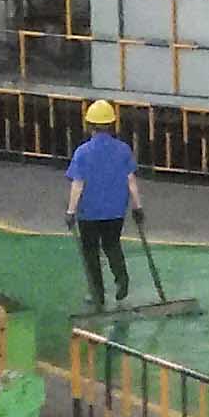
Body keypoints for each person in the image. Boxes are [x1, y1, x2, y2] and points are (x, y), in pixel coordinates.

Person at [64, 99, 138, 309]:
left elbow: (78, 184)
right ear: (112, 124)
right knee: (112, 244)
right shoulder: (123, 150)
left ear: (89, 125)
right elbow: (131, 180)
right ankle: (121, 278)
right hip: (115, 211)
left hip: (89, 212)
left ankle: (97, 293)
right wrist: (137, 207)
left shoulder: (82, 152)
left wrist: (70, 211)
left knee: (90, 252)